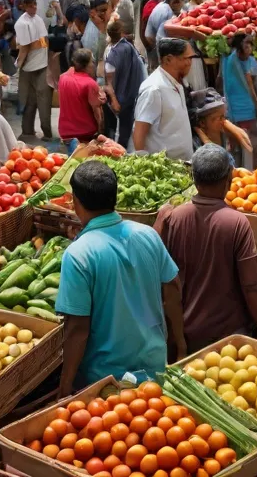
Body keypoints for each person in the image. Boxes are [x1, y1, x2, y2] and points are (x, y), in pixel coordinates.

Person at [56, 160, 185, 394]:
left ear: (75, 202)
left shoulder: (78, 254)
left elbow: (77, 328)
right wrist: (180, 344)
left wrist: (65, 386)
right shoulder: (147, 235)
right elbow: (173, 288)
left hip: (106, 383)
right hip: (154, 371)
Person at [154, 143, 257, 352]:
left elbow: (162, 277)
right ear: (228, 179)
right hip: (228, 339)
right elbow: (251, 286)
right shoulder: (237, 222)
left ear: (194, 179)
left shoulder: (174, 217)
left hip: (183, 334)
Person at [132, 37, 196, 158]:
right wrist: (145, 164)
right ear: (168, 59)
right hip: (166, 165)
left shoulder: (177, 82)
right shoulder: (154, 89)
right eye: (187, 58)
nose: (190, 63)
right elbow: (139, 133)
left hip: (182, 163)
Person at [220, 33, 257, 169]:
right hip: (235, 111)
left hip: (249, 110)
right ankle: (237, 173)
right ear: (238, 47)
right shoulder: (229, 60)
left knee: (254, 146)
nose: (249, 47)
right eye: (246, 44)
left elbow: (255, 86)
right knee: (236, 148)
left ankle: (254, 172)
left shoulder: (252, 61)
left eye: (251, 44)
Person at [15, 0, 53, 141]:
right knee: (30, 100)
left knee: (41, 100)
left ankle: (45, 132)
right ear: (24, 6)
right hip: (31, 67)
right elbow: (36, 44)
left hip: (38, 65)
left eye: (35, 5)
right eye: (31, 5)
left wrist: (18, 64)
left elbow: (26, 48)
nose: (34, 8)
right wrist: (36, 45)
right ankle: (29, 131)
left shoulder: (37, 19)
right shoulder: (22, 23)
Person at [104, 17, 146, 147]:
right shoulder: (128, 48)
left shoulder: (113, 53)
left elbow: (108, 81)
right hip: (127, 97)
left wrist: (114, 100)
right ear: (121, 32)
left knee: (120, 129)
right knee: (124, 130)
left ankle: (119, 150)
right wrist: (115, 100)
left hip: (121, 98)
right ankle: (121, 150)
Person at [58, 48, 104, 154]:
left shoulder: (63, 78)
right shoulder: (89, 83)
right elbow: (97, 112)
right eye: (92, 62)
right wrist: (101, 131)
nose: (93, 65)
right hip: (84, 135)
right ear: (86, 65)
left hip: (65, 133)